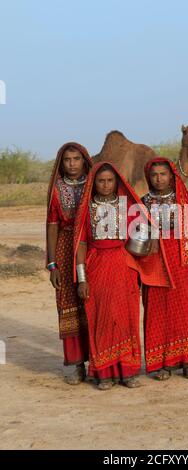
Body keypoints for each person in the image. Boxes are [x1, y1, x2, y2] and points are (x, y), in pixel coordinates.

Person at [74, 162, 171, 390]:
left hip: (123, 265)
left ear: (116, 182)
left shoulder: (128, 207)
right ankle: (104, 374)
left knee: (126, 317)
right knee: (102, 317)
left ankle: (128, 372)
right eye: (101, 181)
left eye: (110, 181)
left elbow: (148, 227)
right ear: (93, 183)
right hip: (96, 265)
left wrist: (152, 240)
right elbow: (81, 244)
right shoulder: (86, 209)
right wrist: (82, 278)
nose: (106, 185)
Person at [142, 157, 188, 380]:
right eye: (154, 175)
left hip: (182, 263)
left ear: (171, 176)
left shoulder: (183, 200)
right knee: (157, 311)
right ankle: (162, 364)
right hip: (154, 263)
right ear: (148, 177)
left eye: (163, 174)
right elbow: (135, 235)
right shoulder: (142, 203)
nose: (159, 179)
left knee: (186, 310)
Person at [46, 142, 93, 384]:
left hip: (92, 250)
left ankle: (98, 362)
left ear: (84, 160)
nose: (72, 163)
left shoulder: (96, 184)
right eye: (67, 159)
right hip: (65, 250)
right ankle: (75, 364)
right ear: (61, 163)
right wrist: (51, 263)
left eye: (76, 158)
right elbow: (52, 225)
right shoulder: (57, 189)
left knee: (93, 303)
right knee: (68, 303)